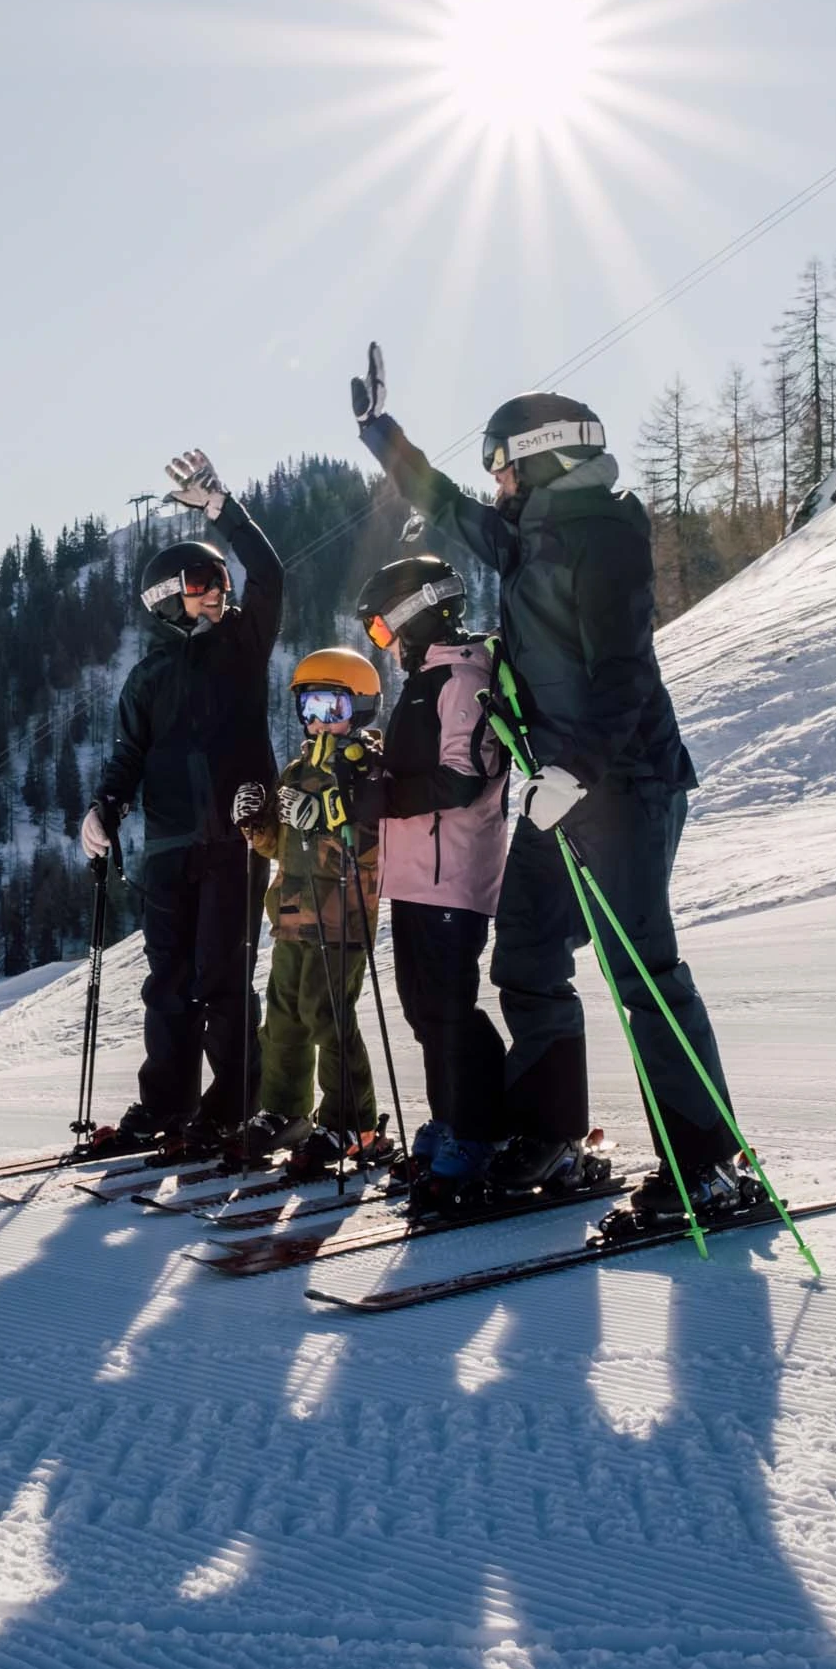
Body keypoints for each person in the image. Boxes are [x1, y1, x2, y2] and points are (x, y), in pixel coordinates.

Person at [351, 357, 740, 1221]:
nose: (491, 482)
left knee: (644, 971)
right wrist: (383, 435)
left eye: (501, 465)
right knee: (524, 959)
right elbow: (446, 505)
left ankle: (707, 1165)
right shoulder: (527, 537)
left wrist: (578, 770)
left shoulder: (604, 536)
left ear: (542, 457)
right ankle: (552, 1134)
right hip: (561, 794)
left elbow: (626, 671)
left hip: (623, 783)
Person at [82, 452, 282, 1147]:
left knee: (224, 979)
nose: (218, 591)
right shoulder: (145, 679)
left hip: (238, 839)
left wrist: (222, 510)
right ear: (168, 594)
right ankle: (168, 1104)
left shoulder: (243, 646)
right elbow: (126, 758)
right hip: (167, 847)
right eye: (202, 582)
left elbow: (272, 576)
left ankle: (231, 1109)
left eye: (220, 580)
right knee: (167, 983)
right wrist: (102, 807)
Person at [356, 555, 510, 1186]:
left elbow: (463, 777)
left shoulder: (463, 677)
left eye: (380, 630)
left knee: (449, 1007)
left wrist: (384, 796)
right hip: (416, 872)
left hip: (456, 872)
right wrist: (371, 779)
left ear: (412, 613)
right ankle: (450, 1117)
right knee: (423, 1007)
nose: (382, 643)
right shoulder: (426, 679)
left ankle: (481, 1129)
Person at [230, 646, 384, 1165]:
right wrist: (257, 826)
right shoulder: (296, 771)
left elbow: (370, 843)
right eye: (311, 708)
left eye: (333, 710)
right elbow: (281, 844)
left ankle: (352, 1120)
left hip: (342, 917)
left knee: (327, 1016)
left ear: (359, 709)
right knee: (282, 1018)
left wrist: (324, 815)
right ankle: (284, 1109)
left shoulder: (366, 772)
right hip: (292, 917)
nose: (320, 722)